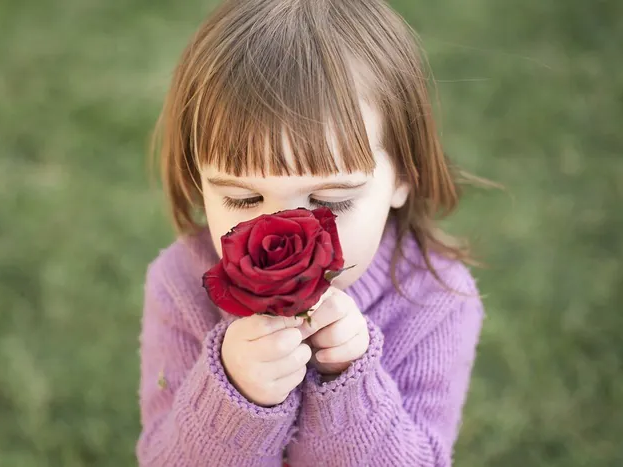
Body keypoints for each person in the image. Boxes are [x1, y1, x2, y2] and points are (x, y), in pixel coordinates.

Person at [137, 0, 487, 465]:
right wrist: (234, 392)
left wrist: (348, 383)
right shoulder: (181, 284)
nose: (279, 228)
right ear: (198, 181)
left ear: (404, 176)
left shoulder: (436, 300)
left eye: (330, 201)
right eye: (243, 199)